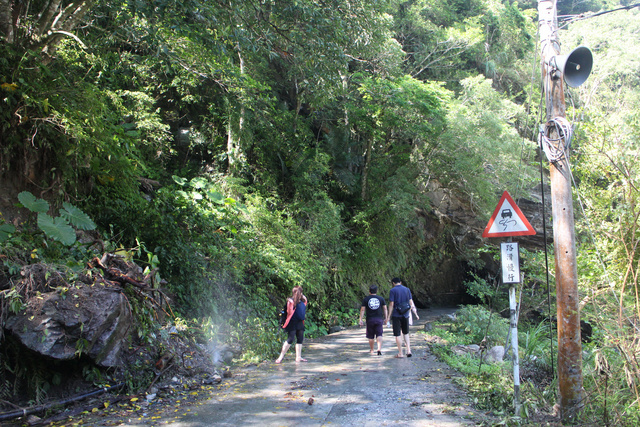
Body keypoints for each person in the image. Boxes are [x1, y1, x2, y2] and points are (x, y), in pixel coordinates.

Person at [386, 277, 419, 358]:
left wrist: (388, 316)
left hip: (396, 315)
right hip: (406, 314)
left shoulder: (392, 290)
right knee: (406, 333)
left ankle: (400, 353)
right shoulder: (407, 289)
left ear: (393, 283)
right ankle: (408, 350)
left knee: (397, 334)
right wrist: (415, 312)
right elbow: (411, 302)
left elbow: (391, 304)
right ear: (400, 282)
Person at [275, 285, 308, 363]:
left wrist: (301, 295)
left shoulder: (302, 302)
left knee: (300, 339)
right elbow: (289, 311)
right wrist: (294, 297)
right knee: (290, 339)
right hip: (292, 322)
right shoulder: (291, 302)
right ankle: (281, 357)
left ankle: (298, 357)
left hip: (300, 322)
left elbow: (305, 299)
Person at [359, 284, 388, 355]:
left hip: (370, 319)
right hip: (379, 319)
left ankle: (372, 350)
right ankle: (379, 349)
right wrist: (386, 318)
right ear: (376, 291)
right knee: (379, 334)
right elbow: (385, 309)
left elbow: (362, 310)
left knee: (371, 335)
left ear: (369, 291)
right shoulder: (381, 298)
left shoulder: (366, 299)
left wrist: (360, 319)